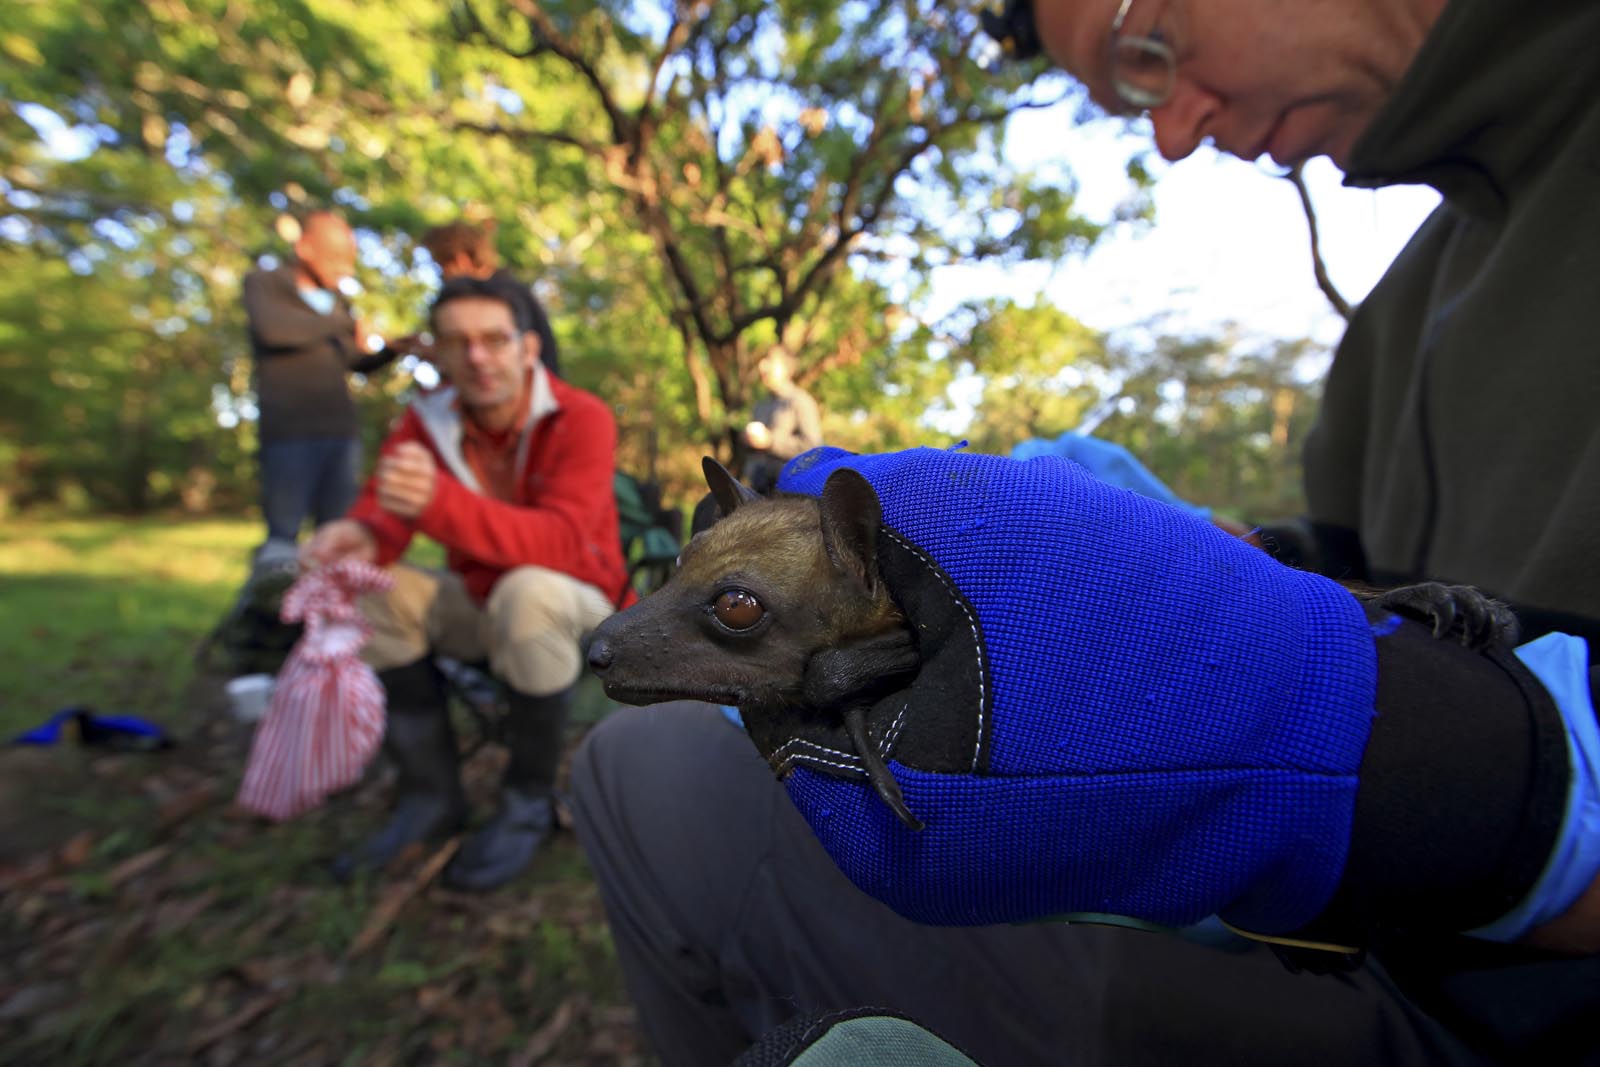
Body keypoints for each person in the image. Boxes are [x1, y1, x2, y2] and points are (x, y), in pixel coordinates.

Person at [567, 0, 1600, 1062]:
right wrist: (1208, 553)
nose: (1168, 134)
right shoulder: (1410, 300)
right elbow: (1357, 578)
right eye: (1123, 101)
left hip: (1490, 1003)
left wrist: (1411, 755)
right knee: (657, 771)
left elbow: (1372, 708)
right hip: (1327, 935)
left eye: (1148, 52)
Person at [301, 273, 630, 892]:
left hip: (580, 607)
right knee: (369, 586)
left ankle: (527, 799)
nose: (477, 357)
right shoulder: (425, 420)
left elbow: (565, 546)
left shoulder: (580, 417)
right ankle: (430, 796)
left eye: (495, 339)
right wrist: (360, 538)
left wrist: (439, 503)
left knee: (528, 590)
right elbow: (386, 510)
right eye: (457, 342)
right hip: (483, 607)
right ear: (438, 353)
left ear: (527, 348)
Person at [241, 211, 399, 549]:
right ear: (305, 248)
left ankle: (327, 602)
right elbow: (274, 332)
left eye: (349, 258)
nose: (345, 268)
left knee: (337, 533)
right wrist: (339, 324)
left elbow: (355, 361)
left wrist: (392, 350)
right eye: (337, 257)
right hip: (289, 433)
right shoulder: (265, 284)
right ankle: (271, 600)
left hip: (340, 433)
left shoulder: (339, 302)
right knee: (283, 533)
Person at [419, 218, 561, 378]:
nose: (442, 275)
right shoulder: (507, 290)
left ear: (461, 259)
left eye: (442, 265)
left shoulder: (504, 296)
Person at [740, 345, 823, 494]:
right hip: (756, 493)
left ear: (786, 369)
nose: (762, 366)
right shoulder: (760, 405)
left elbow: (813, 449)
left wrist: (771, 442)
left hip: (789, 497)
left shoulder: (801, 401)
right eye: (762, 361)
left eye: (769, 361)